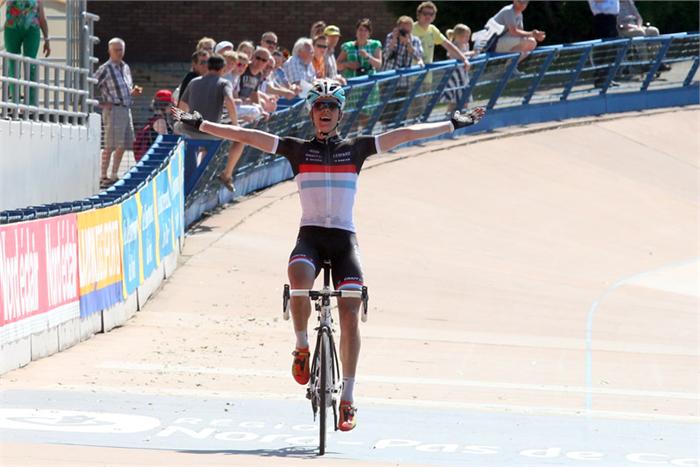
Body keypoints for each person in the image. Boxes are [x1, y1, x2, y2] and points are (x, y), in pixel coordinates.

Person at [172, 79, 485, 432]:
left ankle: (348, 397)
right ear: (311, 112)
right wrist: (202, 124)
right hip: (311, 238)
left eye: (331, 106)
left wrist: (453, 123)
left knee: (349, 313)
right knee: (299, 277)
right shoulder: (296, 149)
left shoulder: (356, 148)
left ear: (339, 113)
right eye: (319, 105)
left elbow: (406, 133)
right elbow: (247, 136)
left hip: (344, 242)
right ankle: (303, 345)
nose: (325, 111)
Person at [175, 54, 244, 192]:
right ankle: (227, 174)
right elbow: (229, 101)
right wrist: (235, 124)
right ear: (223, 68)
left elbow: (182, 105)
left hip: (189, 130)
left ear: (207, 66)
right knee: (241, 138)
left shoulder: (194, 82)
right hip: (211, 132)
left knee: (179, 128)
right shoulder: (224, 83)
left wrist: (183, 124)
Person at [95, 37, 143, 188]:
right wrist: (102, 103)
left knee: (124, 144)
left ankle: (114, 174)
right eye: (116, 50)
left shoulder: (125, 67)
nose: (119, 52)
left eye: (121, 49)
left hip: (126, 107)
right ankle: (103, 175)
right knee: (110, 144)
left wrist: (132, 92)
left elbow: (126, 88)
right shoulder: (105, 68)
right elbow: (92, 85)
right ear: (109, 51)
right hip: (114, 108)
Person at [3, 0, 50, 105]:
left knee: (31, 66)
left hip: (32, 30)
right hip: (12, 29)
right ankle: (15, 102)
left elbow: (42, 17)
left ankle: (31, 104)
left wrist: (47, 39)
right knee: (13, 66)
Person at [413, 2, 470, 67]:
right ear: (418, 14)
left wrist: (464, 59)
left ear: (434, 16)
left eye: (431, 14)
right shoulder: (410, 29)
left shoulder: (433, 30)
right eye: (425, 13)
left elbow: (449, 46)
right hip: (409, 74)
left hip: (426, 73)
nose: (428, 16)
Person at [490, 0, 546, 64]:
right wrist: (532, 34)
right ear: (514, 1)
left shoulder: (519, 14)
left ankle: (510, 66)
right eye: (519, 1)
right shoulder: (508, 11)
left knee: (531, 42)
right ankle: (509, 67)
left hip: (500, 41)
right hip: (492, 43)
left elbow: (521, 33)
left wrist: (537, 36)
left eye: (525, 2)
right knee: (531, 41)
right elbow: (514, 31)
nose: (522, 4)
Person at [443, 24, 476, 113]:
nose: (466, 38)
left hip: (464, 76)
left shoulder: (466, 45)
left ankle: (461, 121)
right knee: (453, 103)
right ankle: (448, 120)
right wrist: (469, 54)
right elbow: (453, 55)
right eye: (464, 36)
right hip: (454, 78)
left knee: (465, 100)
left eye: (468, 36)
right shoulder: (453, 46)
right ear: (457, 36)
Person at [588, 0, 620, 87]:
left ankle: (608, 77)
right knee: (603, 51)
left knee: (614, 51)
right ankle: (599, 80)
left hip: (612, 19)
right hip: (602, 19)